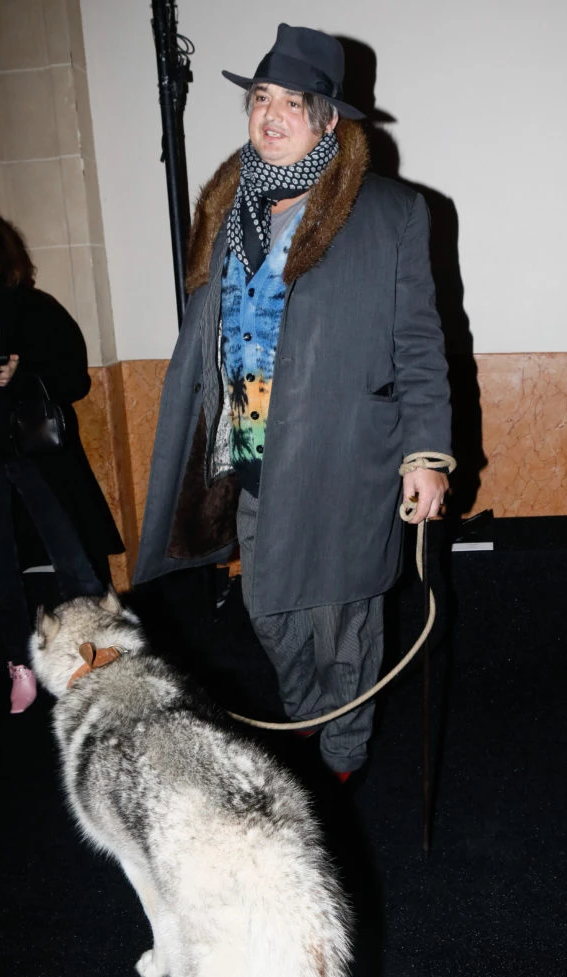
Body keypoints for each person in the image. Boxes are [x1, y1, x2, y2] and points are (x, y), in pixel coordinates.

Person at [134, 25, 453, 779]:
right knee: (269, 612)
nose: (269, 115)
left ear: (328, 118)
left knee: (343, 620)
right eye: (259, 98)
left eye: (292, 102)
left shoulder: (389, 214)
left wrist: (427, 455)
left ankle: (342, 751)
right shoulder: (224, 206)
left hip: (345, 456)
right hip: (249, 454)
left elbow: (419, 346)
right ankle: (307, 709)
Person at [0, 210, 124, 714]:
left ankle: (100, 654)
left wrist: (21, 373)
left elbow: (76, 380)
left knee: (74, 557)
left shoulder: (32, 308)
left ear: (6, 263)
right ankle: (18, 663)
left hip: (37, 458)